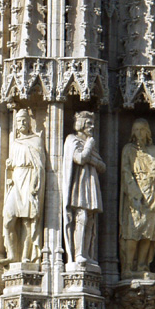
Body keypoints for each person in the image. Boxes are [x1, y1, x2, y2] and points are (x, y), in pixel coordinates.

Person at [119, 119, 155, 277]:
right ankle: (128, 266)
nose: (139, 133)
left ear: (148, 132)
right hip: (135, 194)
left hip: (151, 193)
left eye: (142, 130)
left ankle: (142, 266)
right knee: (133, 230)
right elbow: (125, 172)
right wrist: (134, 193)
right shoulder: (128, 150)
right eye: (136, 130)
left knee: (148, 232)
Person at [62, 111, 106, 264]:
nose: (92, 126)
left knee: (91, 219)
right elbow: (80, 158)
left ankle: (87, 254)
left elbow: (102, 166)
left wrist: (91, 158)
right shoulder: (72, 140)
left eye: (92, 123)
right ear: (80, 124)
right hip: (78, 184)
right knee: (81, 217)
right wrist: (89, 146)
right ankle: (78, 253)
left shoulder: (89, 143)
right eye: (88, 123)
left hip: (90, 183)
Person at [3, 109, 45, 264]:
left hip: (29, 180)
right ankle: (12, 254)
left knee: (28, 221)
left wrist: (36, 183)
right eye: (19, 120)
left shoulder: (36, 141)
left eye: (24, 120)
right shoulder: (14, 143)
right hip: (16, 180)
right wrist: (9, 170)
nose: (21, 123)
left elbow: (40, 165)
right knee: (8, 219)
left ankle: (25, 256)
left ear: (29, 122)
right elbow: (11, 165)